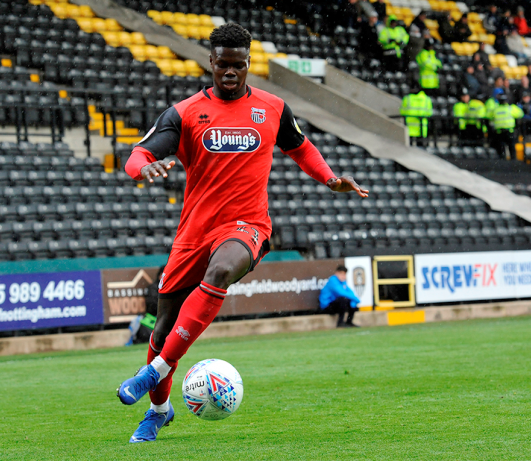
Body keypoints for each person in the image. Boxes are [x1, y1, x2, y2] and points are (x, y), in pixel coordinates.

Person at [115, 23, 368, 443]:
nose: (230, 72)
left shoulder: (272, 107)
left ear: (249, 63)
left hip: (247, 225)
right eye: (222, 65)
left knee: (221, 272)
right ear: (211, 62)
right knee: (161, 331)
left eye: (239, 65)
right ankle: (159, 410)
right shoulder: (184, 112)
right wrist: (146, 167)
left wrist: (328, 178)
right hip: (194, 232)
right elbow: (137, 155)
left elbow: (300, 146)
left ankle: (154, 372)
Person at [489, 93, 524, 159]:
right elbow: (521, 114)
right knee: (512, 149)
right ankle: (514, 164)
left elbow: (488, 116)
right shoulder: (510, 108)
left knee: (502, 151)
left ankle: (503, 165)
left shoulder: (495, 110)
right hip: (509, 132)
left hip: (499, 133)